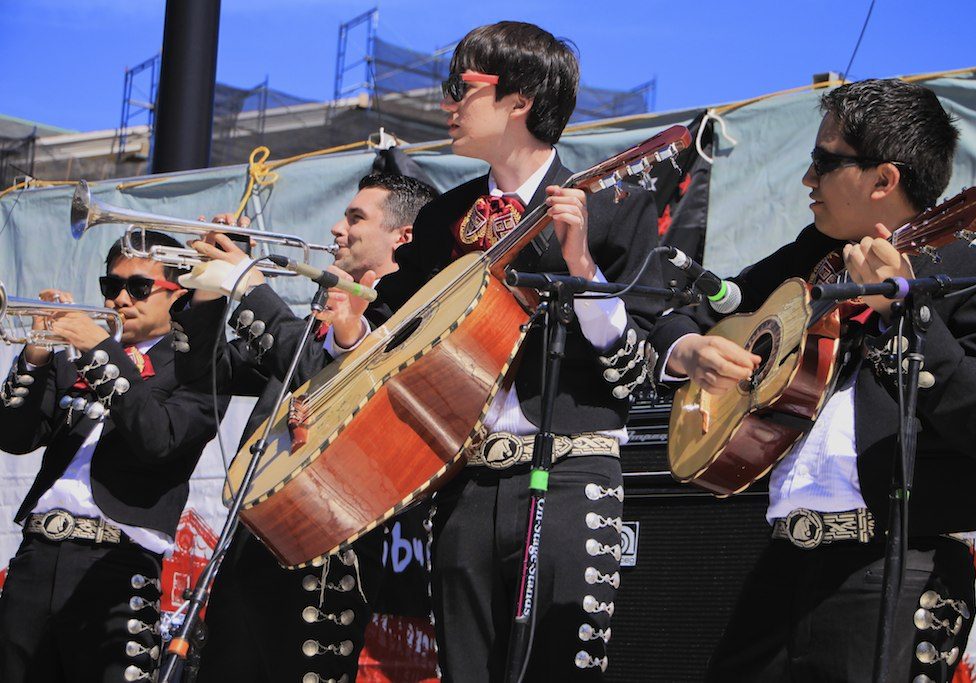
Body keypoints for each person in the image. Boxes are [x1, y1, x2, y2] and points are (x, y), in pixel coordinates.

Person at [649, 78, 976, 682]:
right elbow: (696, 317)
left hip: (896, 564)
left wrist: (904, 310)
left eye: (825, 163)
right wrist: (689, 350)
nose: (807, 180)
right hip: (781, 558)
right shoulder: (810, 256)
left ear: (884, 180)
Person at [325, 21, 662, 681]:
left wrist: (581, 267)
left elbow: (637, 378)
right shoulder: (441, 221)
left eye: (461, 86)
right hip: (465, 485)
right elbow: (393, 342)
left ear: (520, 99)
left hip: (569, 476)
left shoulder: (618, 206)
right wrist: (351, 332)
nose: (446, 103)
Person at [171, 172, 438, 682]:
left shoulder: (410, 311)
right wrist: (210, 288)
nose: (337, 229)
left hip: (324, 557)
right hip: (253, 542)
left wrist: (250, 285)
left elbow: (328, 377)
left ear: (402, 237)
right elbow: (206, 372)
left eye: (356, 218)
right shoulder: (317, 315)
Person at [0, 231, 220, 682]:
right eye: (110, 286)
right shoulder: (73, 361)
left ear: (176, 294)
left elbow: (158, 440)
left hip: (114, 567)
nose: (120, 299)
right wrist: (37, 353)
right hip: (36, 557)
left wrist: (100, 350)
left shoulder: (196, 368)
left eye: (138, 288)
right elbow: (14, 435)